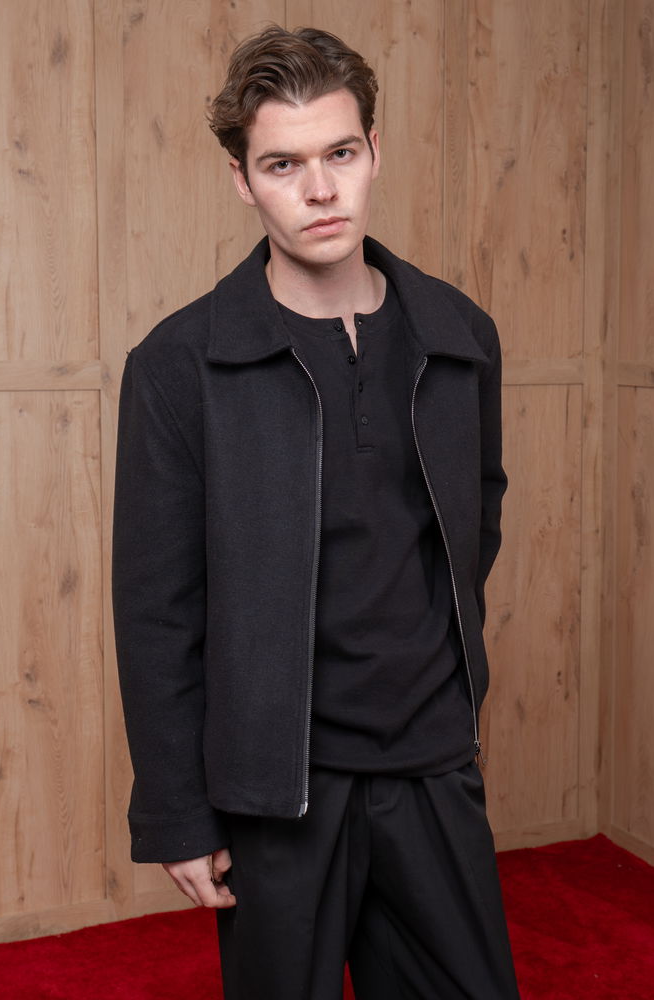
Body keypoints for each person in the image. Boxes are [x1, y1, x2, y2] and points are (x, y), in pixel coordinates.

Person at [112, 24, 520, 1000]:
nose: (320, 189)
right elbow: (157, 609)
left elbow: (476, 522)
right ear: (242, 180)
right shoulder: (177, 365)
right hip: (274, 787)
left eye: (339, 153)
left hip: (431, 763)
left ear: (373, 151)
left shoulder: (459, 335)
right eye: (283, 164)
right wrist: (178, 811)